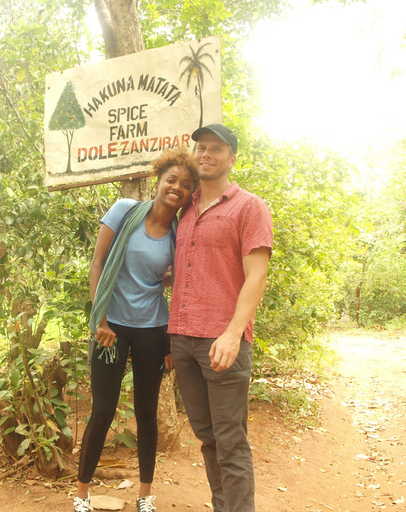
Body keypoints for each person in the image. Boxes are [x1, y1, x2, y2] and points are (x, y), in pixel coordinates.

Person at [73, 146, 199, 512]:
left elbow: (178, 286)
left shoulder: (180, 233)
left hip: (153, 329)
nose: (177, 187)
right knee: (103, 410)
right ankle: (82, 494)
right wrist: (100, 318)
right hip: (110, 329)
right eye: (171, 180)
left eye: (186, 185)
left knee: (146, 413)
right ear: (158, 181)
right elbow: (97, 264)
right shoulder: (124, 211)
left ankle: (145, 495)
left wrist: (172, 341)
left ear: (190, 194)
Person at [168, 124, 273, 512]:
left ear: (232, 158)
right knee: (208, 438)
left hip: (223, 343)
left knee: (230, 441)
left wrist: (232, 334)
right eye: (201, 147)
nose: (206, 154)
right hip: (182, 340)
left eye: (216, 148)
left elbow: (256, 276)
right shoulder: (185, 209)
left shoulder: (249, 206)